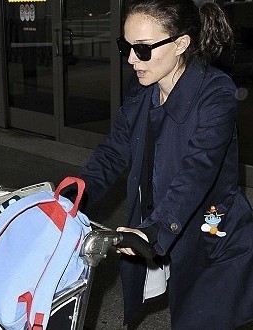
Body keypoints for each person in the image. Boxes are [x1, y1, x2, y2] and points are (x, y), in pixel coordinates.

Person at [78, 0, 253, 329]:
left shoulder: (215, 93)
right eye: (125, 47)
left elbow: (197, 171)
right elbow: (115, 149)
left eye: (142, 50)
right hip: (163, 220)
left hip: (212, 229)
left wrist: (155, 230)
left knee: (199, 315)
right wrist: (74, 196)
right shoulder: (144, 88)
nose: (131, 59)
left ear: (181, 44)